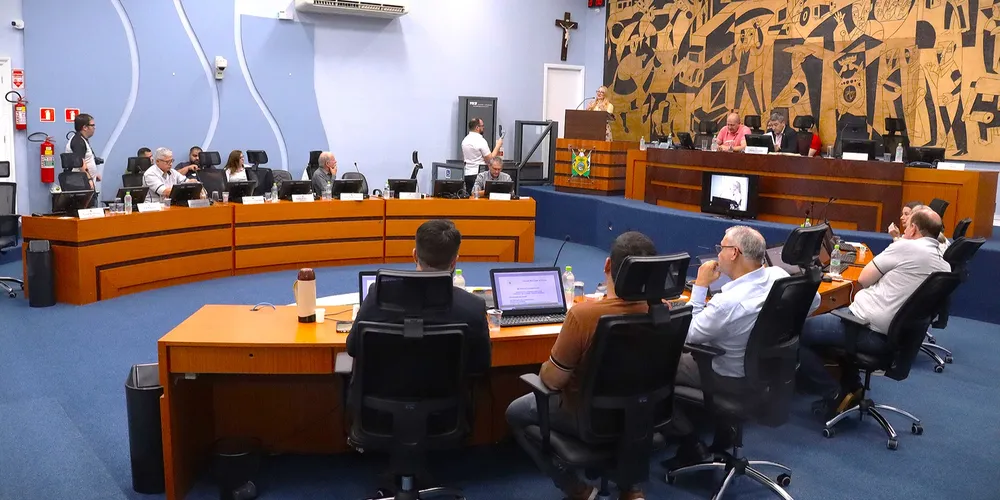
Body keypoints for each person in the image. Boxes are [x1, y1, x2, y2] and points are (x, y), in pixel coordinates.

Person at [506, 231, 657, 500]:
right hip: (641, 416)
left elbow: (553, 381)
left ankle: (576, 489)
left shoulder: (584, 315)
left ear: (607, 265)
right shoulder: (663, 311)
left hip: (586, 417)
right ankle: (631, 488)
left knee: (516, 412)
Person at [665, 226, 819, 467]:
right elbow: (815, 300)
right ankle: (723, 429)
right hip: (767, 373)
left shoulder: (728, 303)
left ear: (734, 253)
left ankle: (691, 443)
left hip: (726, 375)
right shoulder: (778, 276)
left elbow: (691, 335)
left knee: (655, 369)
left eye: (721, 247)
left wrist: (700, 287)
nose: (718, 253)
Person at [798, 206, 950, 415]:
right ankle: (853, 388)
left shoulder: (906, 247)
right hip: (898, 339)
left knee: (797, 333)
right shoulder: (944, 266)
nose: (904, 229)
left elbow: (863, 279)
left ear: (914, 229)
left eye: (907, 226)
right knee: (835, 318)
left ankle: (832, 392)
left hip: (867, 329)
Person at [347, 219, 491, 376]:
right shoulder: (473, 306)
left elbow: (353, 347)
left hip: (380, 398)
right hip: (447, 399)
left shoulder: (379, 295)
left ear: (415, 255)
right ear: (454, 262)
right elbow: (481, 363)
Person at [461, 118, 503, 194]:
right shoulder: (480, 141)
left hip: (467, 173)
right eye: (482, 126)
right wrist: (498, 146)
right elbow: (490, 160)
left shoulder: (465, 140)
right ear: (477, 128)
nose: (483, 128)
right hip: (478, 175)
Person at [65, 113, 102, 192]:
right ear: (85, 127)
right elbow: (80, 163)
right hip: (81, 184)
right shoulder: (78, 141)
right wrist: (88, 179)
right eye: (92, 125)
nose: (94, 128)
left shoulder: (82, 139)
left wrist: (95, 175)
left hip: (83, 182)